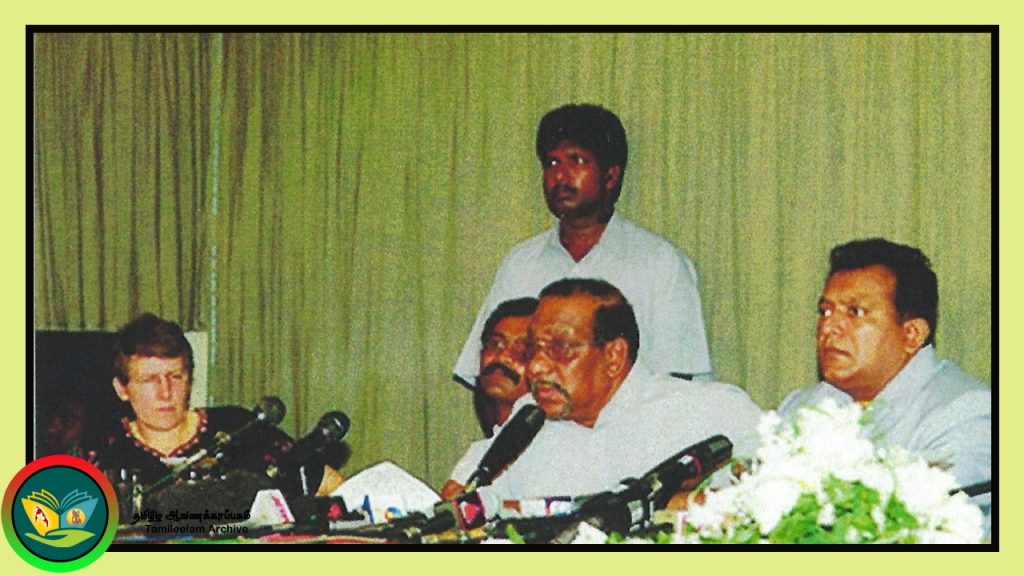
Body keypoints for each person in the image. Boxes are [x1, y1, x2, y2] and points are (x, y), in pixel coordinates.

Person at [453, 104, 712, 391]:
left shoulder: (659, 263)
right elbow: (489, 373)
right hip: (535, 419)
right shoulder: (521, 264)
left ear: (611, 176)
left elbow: (678, 383)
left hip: (632, 420)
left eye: (576, 161)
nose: (560, 176)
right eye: (552, 163)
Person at [452, 278, 761, 502]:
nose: (536, 367)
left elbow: (771, 498)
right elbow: (470, 503)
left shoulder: (709, 410)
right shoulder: (529, 419)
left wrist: (677, 505)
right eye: (533, 348)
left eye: (561, 348)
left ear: (614, 356)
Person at [778, 239, 991, 525]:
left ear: (912, 334)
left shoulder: (968, 413)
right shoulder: (799, 407)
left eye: (855, 312)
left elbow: (932, 528)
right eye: (825, 311)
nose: (829, 327)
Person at [83, 313, 344, 509]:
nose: (165, 392)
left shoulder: (240, 429)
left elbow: (332, 486)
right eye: (149, 380)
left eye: (175, 377)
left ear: (190, 380)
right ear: (122, 389)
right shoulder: (103, 450)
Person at [443, 298, 537, 499]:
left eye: (523, 350)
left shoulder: (555, 447)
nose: (503, 357)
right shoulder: (478, 453)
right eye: (496, 344)